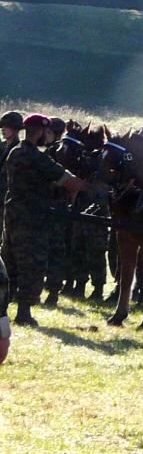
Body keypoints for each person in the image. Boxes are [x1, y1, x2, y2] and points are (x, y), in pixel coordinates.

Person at [2, 114, 95, 326]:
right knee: (31, 264)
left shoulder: (15, 152)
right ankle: (24, 313)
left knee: (11, 262)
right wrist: (91, 187)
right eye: (46, 132)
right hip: (32, 219)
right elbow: (66, 180)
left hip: (12, 215)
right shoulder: (37, 157)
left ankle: (5, 309)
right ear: (41, 132)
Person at [43, 117, 72, 305]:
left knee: (55, 249)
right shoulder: (50, 151)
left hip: (57, 207)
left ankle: (53, 290)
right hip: (47, 207)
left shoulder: (60, 152)